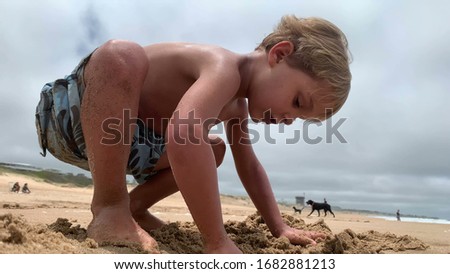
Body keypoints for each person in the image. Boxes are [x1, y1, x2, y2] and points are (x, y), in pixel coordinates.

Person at [35, 15, 351, 253]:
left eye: (299, 118)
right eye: (297, 103)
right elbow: (184, 134)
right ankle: (110, 207)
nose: (288, 120)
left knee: (214, 150)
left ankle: (134, 207)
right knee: (122, 53)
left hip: (130, 146)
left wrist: (279, 226)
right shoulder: (223, 66)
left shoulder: (236, 108)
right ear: (279, 55)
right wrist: (217, 240)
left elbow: (250, 168)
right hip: (75, 112)